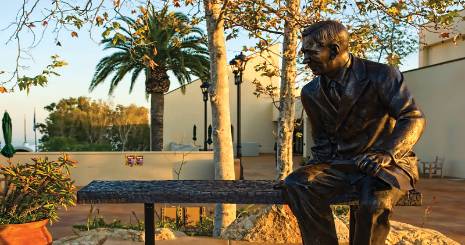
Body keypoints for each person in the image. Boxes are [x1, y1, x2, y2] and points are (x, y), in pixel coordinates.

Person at [282, 20, 426, 245]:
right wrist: (309, 171)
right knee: (297, 184)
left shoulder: (382, 75)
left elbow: (412, 117)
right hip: (343, 165)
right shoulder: (310, 92)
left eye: (311, 52)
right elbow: (322, 143)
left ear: (334, 50)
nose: (305, 59)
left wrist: (386, 153)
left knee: (373, 203)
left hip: (387, 164)